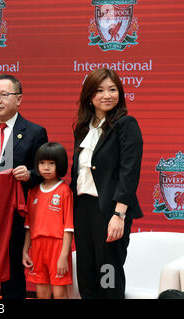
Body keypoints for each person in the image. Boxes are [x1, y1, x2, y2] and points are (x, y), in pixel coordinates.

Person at [0, 74, 48, 299]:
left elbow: (44, 172)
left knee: (12, 273)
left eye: (4, 95)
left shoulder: (34, 132)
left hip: (12, 213)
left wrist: (29, 174)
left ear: (19, 99)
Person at [70, 68, 143, 299]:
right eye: (100, 90)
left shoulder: (126, 124)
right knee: (87, 276)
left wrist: (119, 214)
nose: (107, 95)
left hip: (110, 210)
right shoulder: (83, 128)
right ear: (89, 97)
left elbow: (129, 173)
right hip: (83, 210)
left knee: (107, 276)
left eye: (112, 90)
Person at [22, 142, 73, 299]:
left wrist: (64, 256)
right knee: (41, 293)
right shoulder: (33, 191)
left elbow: (68, 228)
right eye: (42, 163)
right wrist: (25, 251)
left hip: (57, 248)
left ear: (60, 165)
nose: (46, 167)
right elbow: (29, 226)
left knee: (59, 293)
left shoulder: (64, 191)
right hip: (37, 248)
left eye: (51, 163)